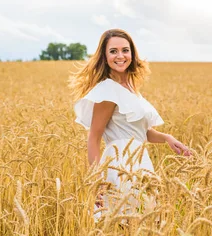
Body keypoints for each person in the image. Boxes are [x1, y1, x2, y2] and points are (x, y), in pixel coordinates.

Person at [69, 28, 191, 221]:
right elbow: (94, 136)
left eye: (125, 50)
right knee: (125, 224)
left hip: (140, 163)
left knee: (145, 224)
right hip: (119, 167)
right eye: (113, 51)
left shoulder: (131, 89)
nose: (120, 56)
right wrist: (97, 180)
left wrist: (167, 138)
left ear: (132, 54)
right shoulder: (107, 90)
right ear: (104, 56)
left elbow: (140, 132)